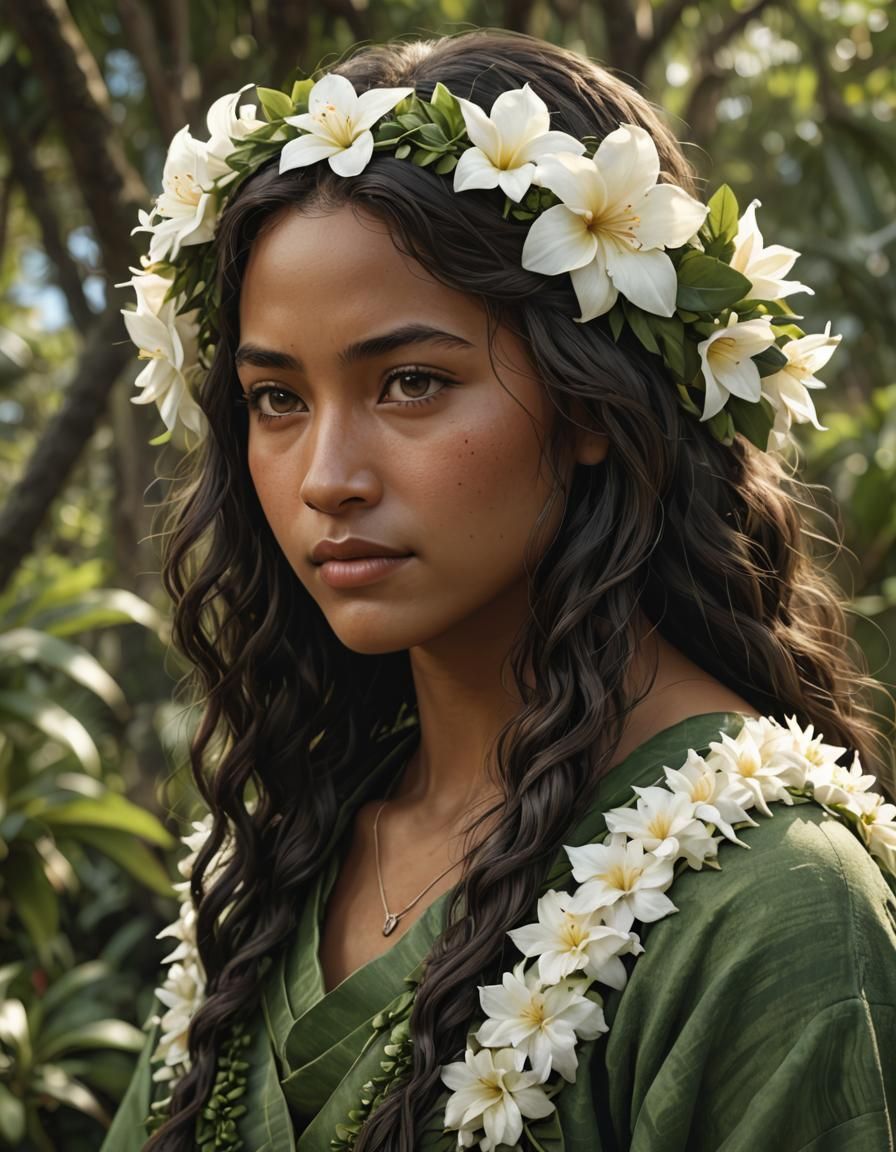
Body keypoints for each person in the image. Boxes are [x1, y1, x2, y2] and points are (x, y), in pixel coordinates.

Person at [102, 27, 896, 1152]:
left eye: (411, 383)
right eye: (275, 400)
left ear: (589, 402)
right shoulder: (274, 860)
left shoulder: (772, 905)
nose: (326, 479)